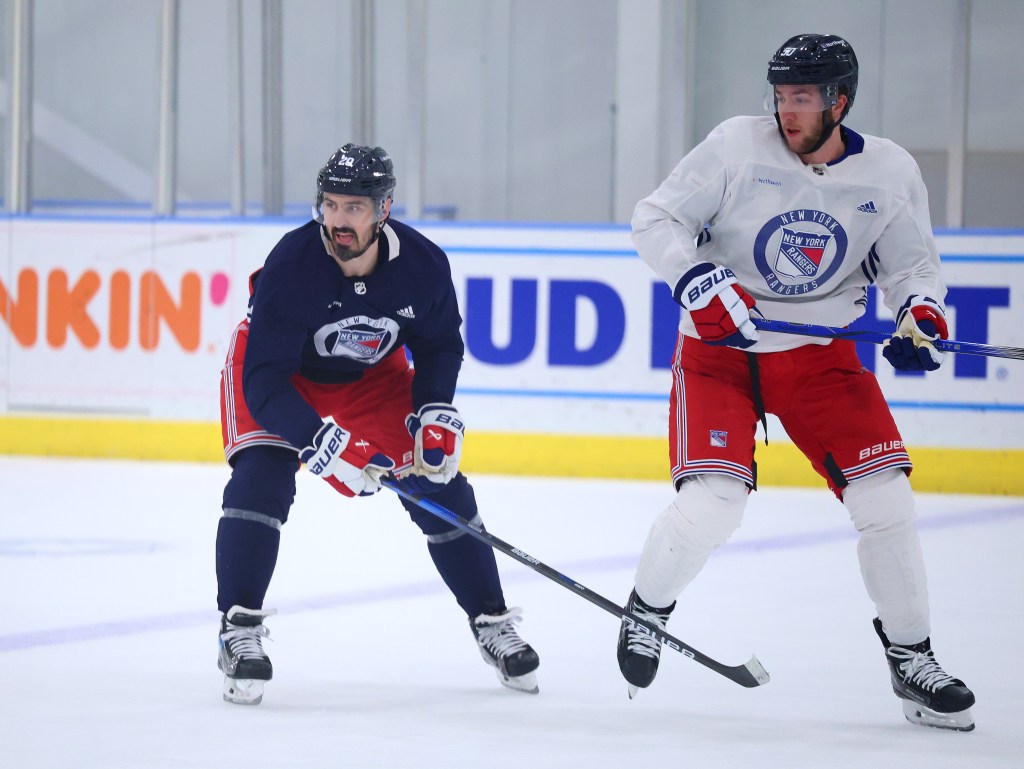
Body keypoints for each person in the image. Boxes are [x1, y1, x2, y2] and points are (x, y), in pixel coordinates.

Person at [617, 34, 975, 731]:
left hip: (822, 358)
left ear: (841, 100)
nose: (788, 109)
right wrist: (694, 277)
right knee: (713, 503)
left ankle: (911, 657)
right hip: (720, 352)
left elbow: (911, 267)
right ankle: (647, 609)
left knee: (887, 500)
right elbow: (654, 217)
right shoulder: (734, 147)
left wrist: (919, 310)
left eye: (804, 97)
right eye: (782, 95)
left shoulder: (890, 172)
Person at [216, 143, 540, 705]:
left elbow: (440, 345)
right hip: (280, 373)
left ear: (383, 209)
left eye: (354, 208)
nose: (339, 220)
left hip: (373, 375)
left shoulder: (423, 265)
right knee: (261, 479)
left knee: (435, 483)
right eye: (331, 205)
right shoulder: (291, 265)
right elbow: (265, 379)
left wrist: (435, 411)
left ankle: (492, 622)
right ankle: (238, 631)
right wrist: (316, 440)